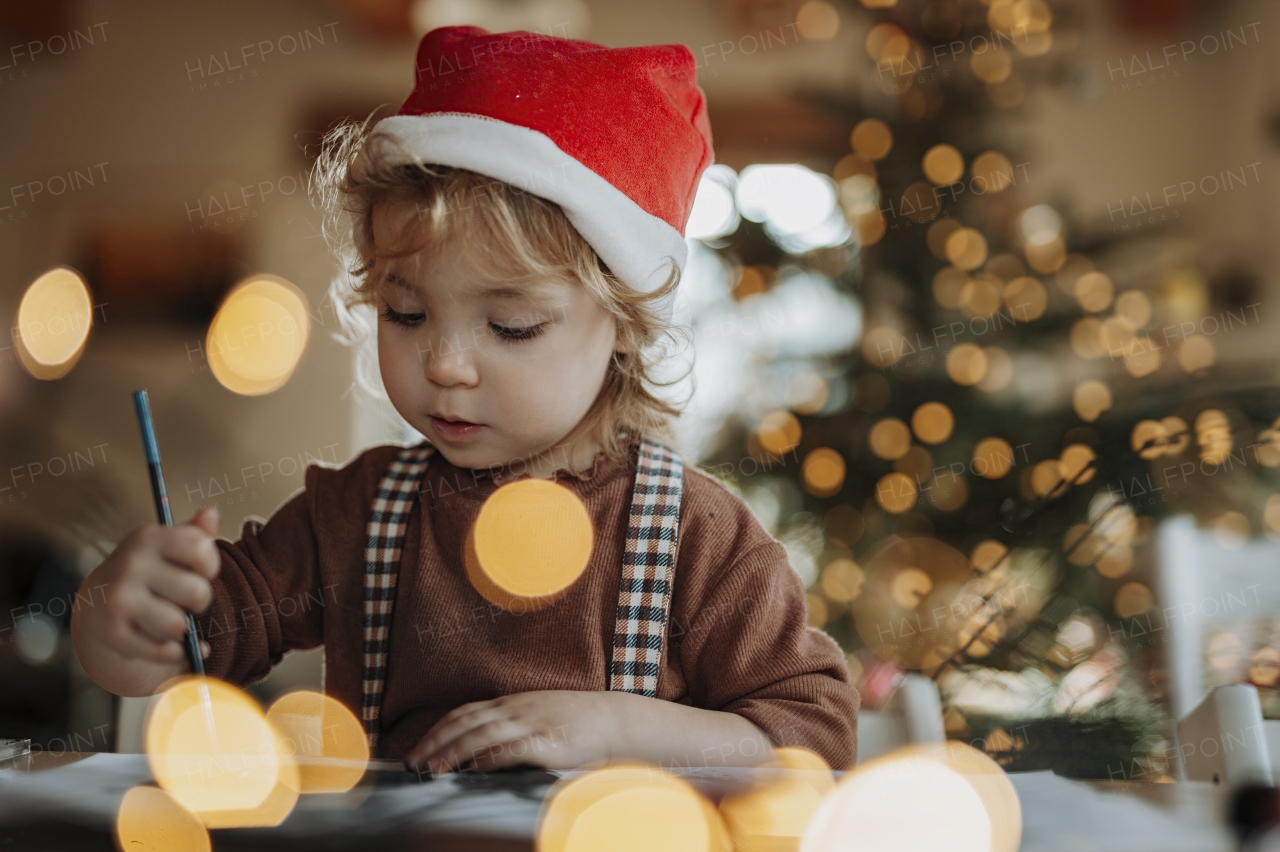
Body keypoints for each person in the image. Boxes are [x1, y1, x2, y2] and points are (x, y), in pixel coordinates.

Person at [71, 25, 858, 773]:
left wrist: (620, 729)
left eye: (511, 327)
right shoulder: (354, 516)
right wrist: (120, 611)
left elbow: (814, 739)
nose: (445, 364)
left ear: (624, 324)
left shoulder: (698, 539)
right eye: (405, 314)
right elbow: (179, 647)